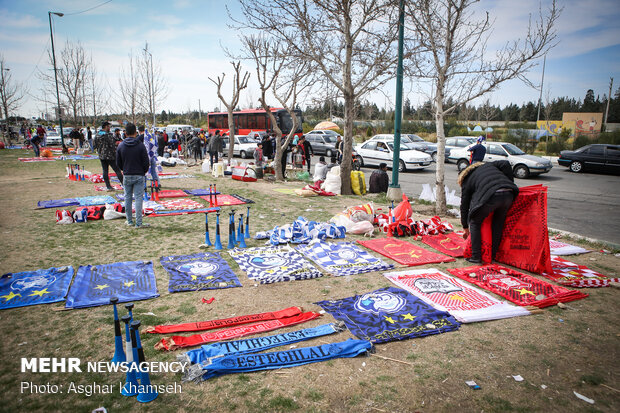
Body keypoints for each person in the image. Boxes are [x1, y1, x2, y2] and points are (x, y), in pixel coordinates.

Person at [458, 160, 519, 264]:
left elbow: (464, 205)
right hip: (509, 193)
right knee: (498, 225)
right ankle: (492, 255)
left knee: (475, 221)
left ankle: (476, 256)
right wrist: (509, 183)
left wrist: (465, 226)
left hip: (491, 195)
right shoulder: (488, 165)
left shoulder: (466, 181)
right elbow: (505, 163)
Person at [116, 123, 150, 228]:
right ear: (136, 133)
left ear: (125, 133)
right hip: (139, 174)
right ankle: (139, 223)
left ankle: (129, 221)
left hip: (127, 174)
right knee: (139, 198)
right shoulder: (140, 145)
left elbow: (118, 162)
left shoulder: (121, 146)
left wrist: (123, 169)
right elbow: (146, 161)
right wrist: (144, 171)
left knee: (127, 197)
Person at [95, 121, 124, 191]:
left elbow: (95, 145)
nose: (110, 128)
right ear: (106, 127)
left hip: (102, 155)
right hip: (110, 156)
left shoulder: (97, 135)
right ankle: (124, 184)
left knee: (105, 171)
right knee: (117, 170)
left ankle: (108, 186)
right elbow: (112, 145)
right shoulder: (108, 135)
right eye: (109, 126)